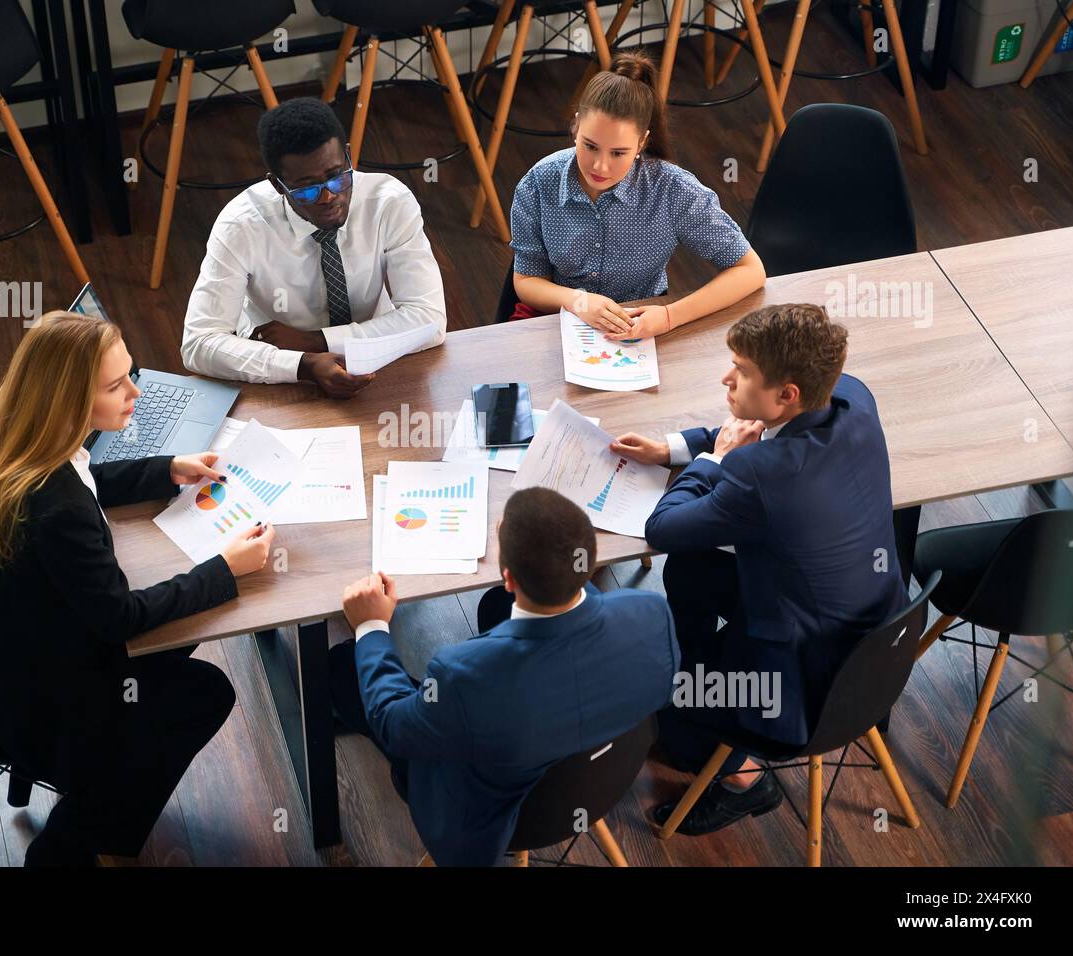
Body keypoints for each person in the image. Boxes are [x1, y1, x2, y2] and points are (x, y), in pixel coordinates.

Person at [0, 311, 277, 866]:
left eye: (131, 374)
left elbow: (86, 482)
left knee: (176, 638)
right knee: (206, 691)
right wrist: (224, 569)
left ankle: (112, 806)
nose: (136, 392)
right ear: (70, 399)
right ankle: (77, 837)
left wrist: (167, 469)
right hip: (27, 704)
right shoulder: (58, 510)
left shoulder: (26, 447)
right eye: (116, 384)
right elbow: (118, 619)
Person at [611, 303, 907, 835]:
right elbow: (760, 427)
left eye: (742, 371)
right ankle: (698, 675)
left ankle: (742, 778)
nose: (726, 378)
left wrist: (712, 460)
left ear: (787, 392)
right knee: (691, 570)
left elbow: (664, 528)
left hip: (800, 683)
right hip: (874, 637)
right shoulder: (852, 397)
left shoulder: (760, 476)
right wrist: (674, 448)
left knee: (655, 688)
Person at [329, 487, 679, 866]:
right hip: (605, 780)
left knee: (343, 667)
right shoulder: (651, 611)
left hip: (490, 821)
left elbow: (393, 725)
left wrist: (371, 624)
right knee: (496, 607)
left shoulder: (462, 677)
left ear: (509, 576)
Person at [181, 97, 447, 398]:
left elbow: (430, 321)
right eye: (307, 189)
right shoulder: (240, 226)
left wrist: (317, 341)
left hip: (381, 357)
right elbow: (198, 344)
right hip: (274, 368)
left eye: (336, 177)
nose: (327, 197)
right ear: (278, 185)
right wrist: (304, 365)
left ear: (348, 157)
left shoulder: (389, 203)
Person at [509, 50, 765, 336]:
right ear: (576, 126)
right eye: (590, 146)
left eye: (618, 153)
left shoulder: (673, 190)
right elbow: (527, 281)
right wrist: (578, 302)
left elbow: (750, 270)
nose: (600, 166)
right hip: (555, 317)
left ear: (642, 142)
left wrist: (670, 316)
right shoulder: (538, 183)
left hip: (640, 324)